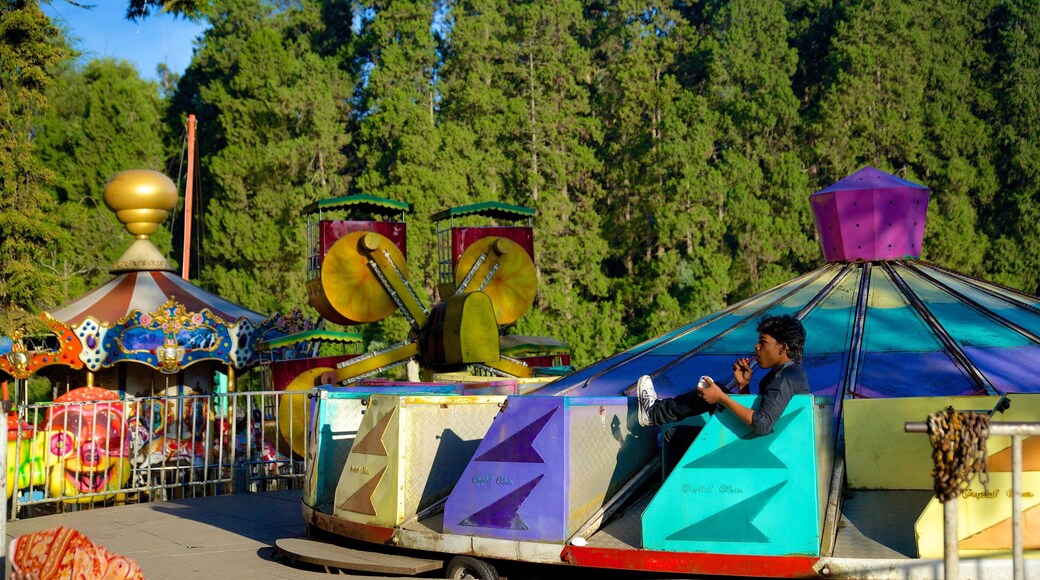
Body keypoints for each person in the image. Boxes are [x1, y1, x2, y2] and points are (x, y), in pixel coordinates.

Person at [637, 314, 809, 474]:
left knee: (675, 436)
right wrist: (743, 386)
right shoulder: (789, 374)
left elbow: (763, 424)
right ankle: (655, 413)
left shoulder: (783, 378)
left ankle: (653, 413)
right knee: (711, 392)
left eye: (763, 342)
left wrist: (722, 398)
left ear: (782, 348)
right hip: (763, 445)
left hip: (759, 450)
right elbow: (760, 414)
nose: (756, 347)